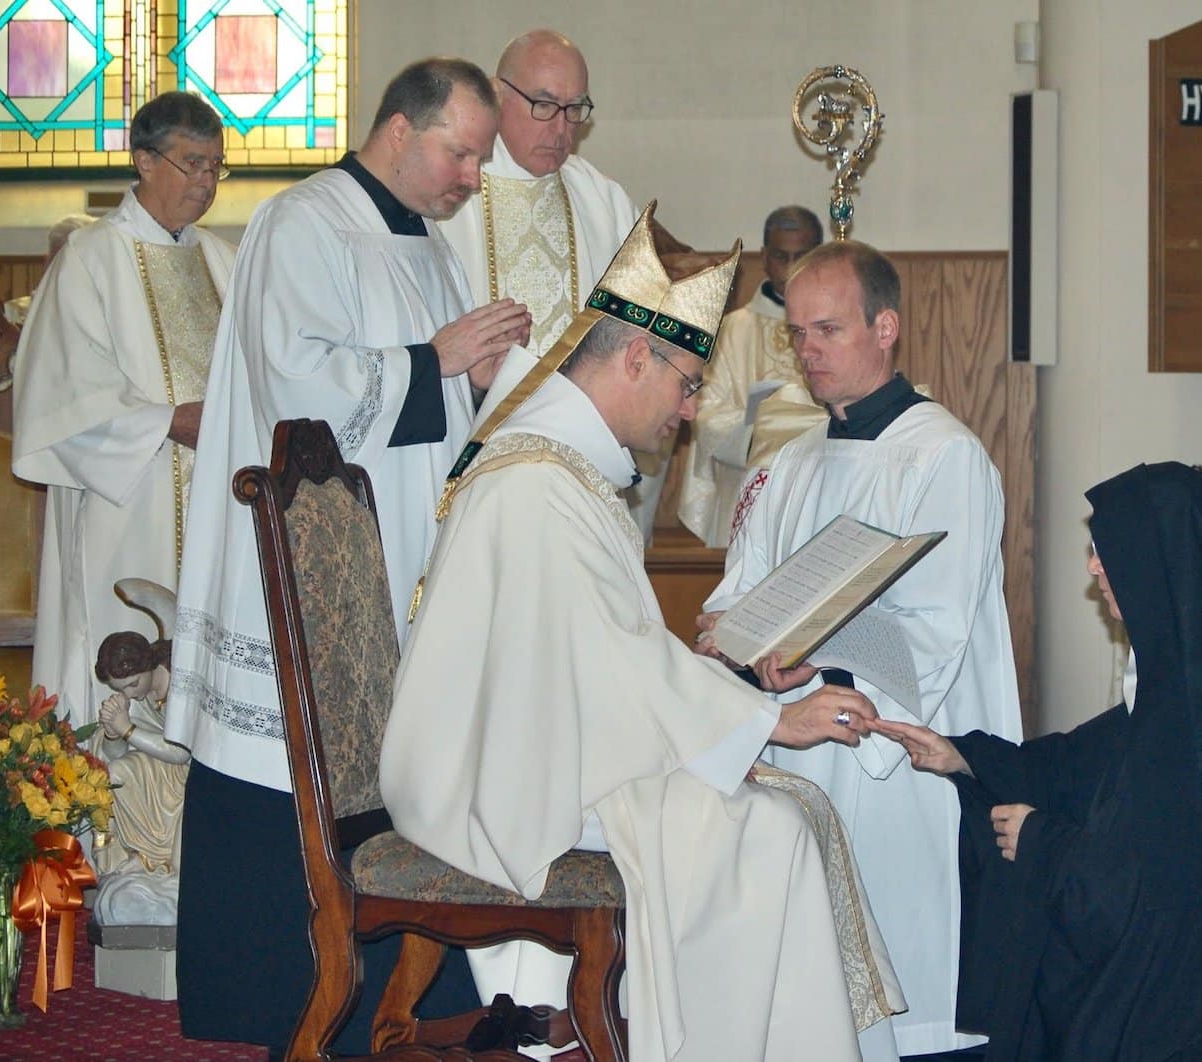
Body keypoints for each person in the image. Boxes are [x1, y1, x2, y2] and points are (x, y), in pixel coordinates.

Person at [383, 205, 905, 1062]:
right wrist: (767, 721)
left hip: (537, 754)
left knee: (772, 810)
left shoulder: (561, 471)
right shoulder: (537, 483)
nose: (691, 412)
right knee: (762, 832)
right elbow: (608, 661)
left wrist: (730, 700)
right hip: (492, 782)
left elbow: (601, 655)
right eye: (687, 384)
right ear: (635, 354)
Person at [166, 58, 528, 1053]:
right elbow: (299, 386)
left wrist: (475, 379)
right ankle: (278, 999)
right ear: (401, 129)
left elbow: (431, 415)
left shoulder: (429, 245)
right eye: (460, 151)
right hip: (306, 568)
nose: (469, 175)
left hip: (397, 564)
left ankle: (400, 1001)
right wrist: (436, 362)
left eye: (478, 158)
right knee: (292, 770)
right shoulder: (306, 223)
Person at [876, 462, 1202, 1061]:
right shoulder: (1189, 670)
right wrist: (965, 756)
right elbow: (1086, 763)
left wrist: (1040, 841)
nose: (1093, 567)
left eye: (1105, 552)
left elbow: (1158, 891)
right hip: (1200, 972)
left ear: (1155, 563)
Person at [698, 239, 1023, 1059]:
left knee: (898, 978)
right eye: (798, 334)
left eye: (828, 331)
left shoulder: (943, 457)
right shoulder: (789, 461)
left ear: (886, 328)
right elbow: (735, 594)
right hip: (792, 744)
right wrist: (738, 644)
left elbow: (934, 632)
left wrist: (812, 644)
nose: (807, 352)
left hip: (889, 761)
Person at [13, 92, 235, 732]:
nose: (205, 182)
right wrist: (167, 422)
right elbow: (64, 393)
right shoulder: (91, 259)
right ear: (143, 159)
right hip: (127, 503)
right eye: (191, 163)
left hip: (217, 507)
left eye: (216, 166)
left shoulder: (222, 262)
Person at [438, 30, 668, 541]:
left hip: (580, 470)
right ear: (499, 94)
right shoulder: (450, 195)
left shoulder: (603, 202)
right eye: (544, 105)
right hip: (475, 459)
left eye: (574, 108)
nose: (561, 128)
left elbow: (644, 334)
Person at [678, 205, 823, 547]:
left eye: (801, 257)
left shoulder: (834, 330)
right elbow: (707, 412)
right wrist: (764, 432)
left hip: (818, 485)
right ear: (765, 257)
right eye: (780, 256)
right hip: (746, 487)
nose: (789, 270)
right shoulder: (733, 330)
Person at [90, 631, 190, 926]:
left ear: (148, 665)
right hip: (160, 769)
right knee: (118, 773)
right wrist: (111, 731)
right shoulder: (139, 694)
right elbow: (113, 755)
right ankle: (142, 859)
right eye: (122, 689)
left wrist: (127, 729)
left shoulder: (181, 681)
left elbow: (181, 751)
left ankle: (165, 867)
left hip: (191, 772)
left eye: (134, 684)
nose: (131, 694)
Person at [4, 213, 97, 328]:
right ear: (46, 263)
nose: (64, 272)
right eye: (57, 262)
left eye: (77, 265)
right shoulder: (5, 317)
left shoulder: (107, 320)